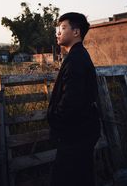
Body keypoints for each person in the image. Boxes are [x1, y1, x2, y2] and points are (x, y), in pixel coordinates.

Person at [47, 12, 101, 186]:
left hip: (75, 134)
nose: (58, 33)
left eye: (63, 28)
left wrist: (56, 120)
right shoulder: (77, 56)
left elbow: (71, 100)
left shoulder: (76, 59)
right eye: (58, 29)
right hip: (80, 132)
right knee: (82, 177)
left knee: (65, 178)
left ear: (76, 32)